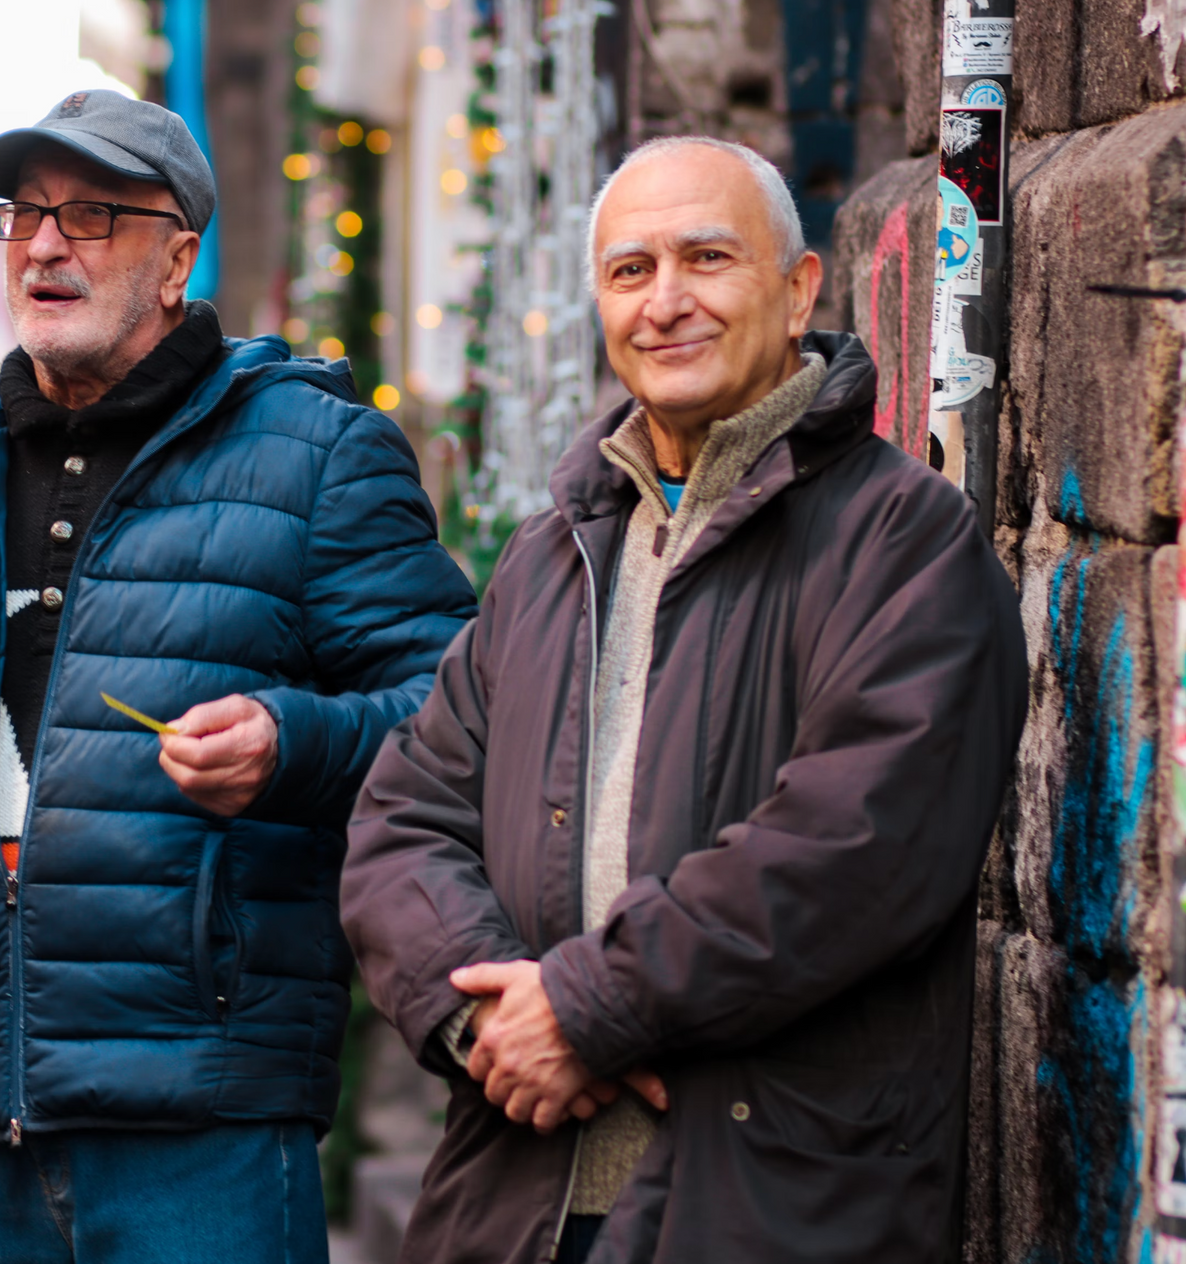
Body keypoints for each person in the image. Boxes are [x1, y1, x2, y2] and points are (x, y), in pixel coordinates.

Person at [0, 90, 478, 1262]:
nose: (47, 244)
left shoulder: (317, 451)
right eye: (23, 216)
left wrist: (288, 739)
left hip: (205, 1115)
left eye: (94, 215)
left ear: (177, 258)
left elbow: (464, 716)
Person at [340, 137, 1029, 1264]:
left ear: (799, 288)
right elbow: (400, 821)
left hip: (768, 1206)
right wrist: (487, 1024)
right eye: (629, 270)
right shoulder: (554, 551)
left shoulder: (904, 539)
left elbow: (850, 849)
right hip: (522, 1200)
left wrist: (586, 1005)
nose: (665, 303)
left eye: (707, 258)